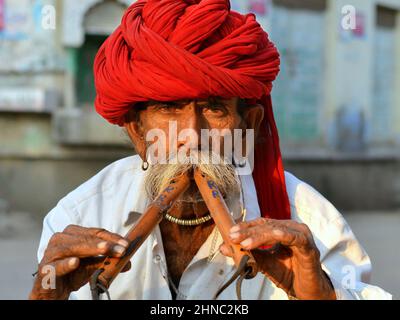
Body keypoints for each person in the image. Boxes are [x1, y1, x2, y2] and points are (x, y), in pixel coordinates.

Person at [29, 0, 391, 300]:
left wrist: (322, 296)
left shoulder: (310, 222)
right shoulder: (81, 214)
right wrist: (45, 294)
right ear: (137, 133)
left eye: (214, 109)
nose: (192, 136)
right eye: (169, 108)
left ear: (247, 124)